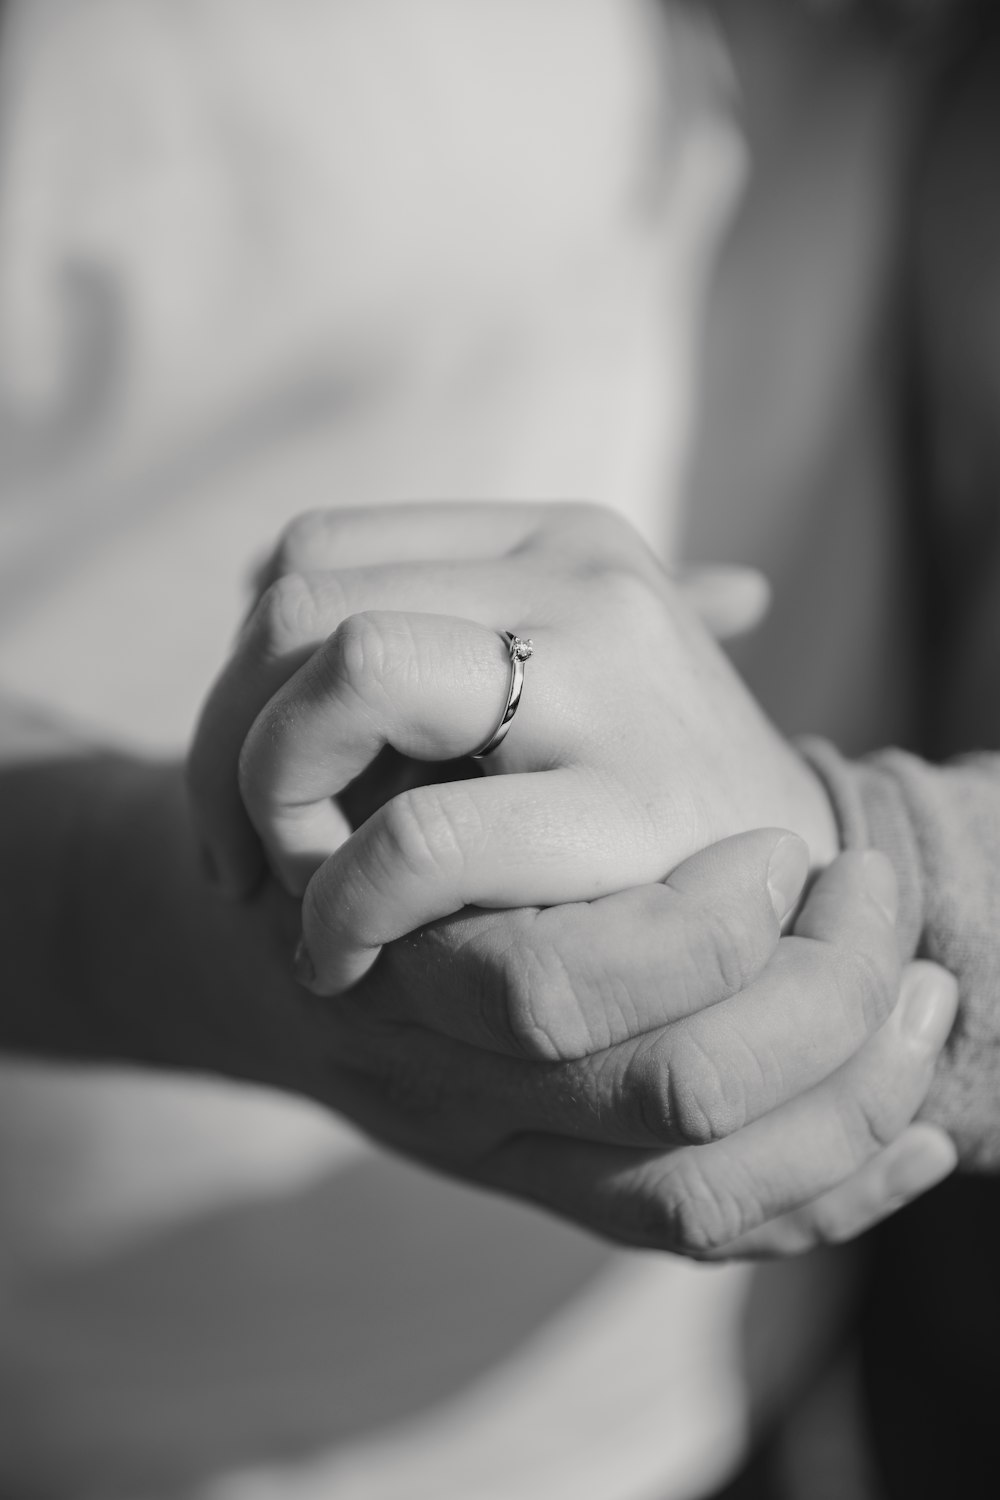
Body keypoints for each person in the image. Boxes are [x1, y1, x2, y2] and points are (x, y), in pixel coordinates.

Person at [0, 0, 995, 1495]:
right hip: (98, 1417)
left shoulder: (884, 59)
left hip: (721, 1378)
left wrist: (882, 878)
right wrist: (189, 928)